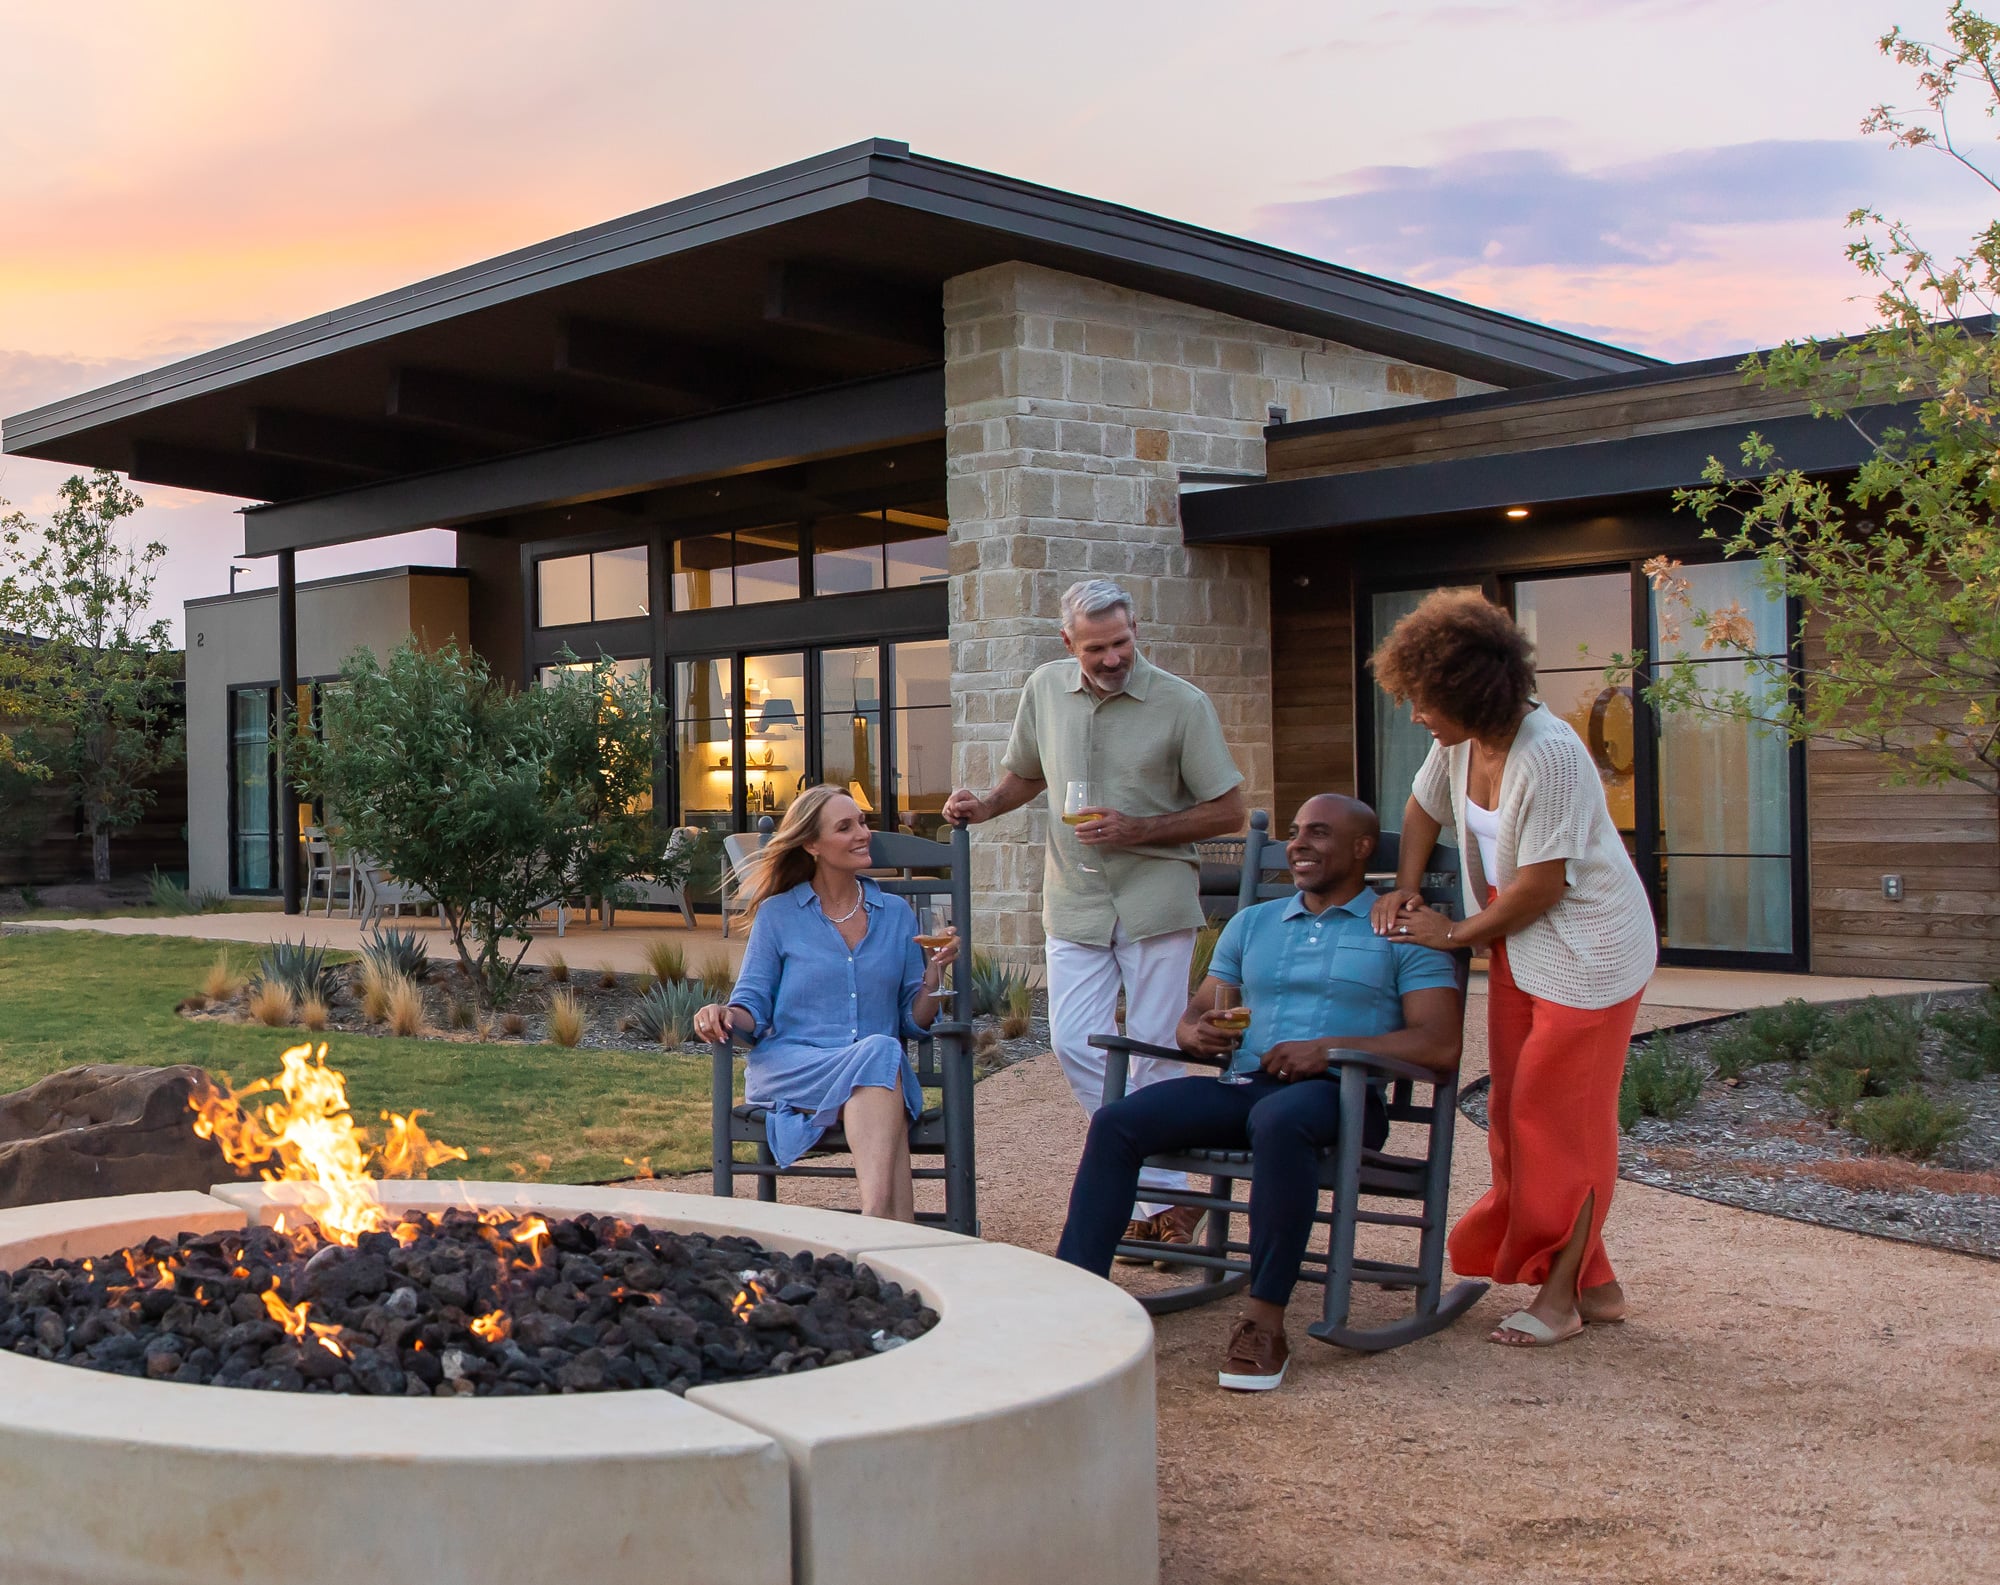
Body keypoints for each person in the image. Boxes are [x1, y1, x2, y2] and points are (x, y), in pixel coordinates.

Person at [1055, 793, 1462, 1391]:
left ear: (1361, 848)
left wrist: (1328, 1049)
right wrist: (1200, 1035)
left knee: (1280, 1122)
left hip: (1339, 1096)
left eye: (1317, 834)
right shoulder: (1253, 924)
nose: (1297, 844)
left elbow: (1438, 1044)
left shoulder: (1398, 929)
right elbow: (1194, 1016)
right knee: (1118, 1121)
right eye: (1295, 832)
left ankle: (1264, 1321)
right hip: (1246, 1085)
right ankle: (1074, 1300)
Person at [1368, 589, 1656, 1348]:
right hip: (1518, 944)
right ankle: (1598, 1285)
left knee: (1563, 1123)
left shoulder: (1551, 753)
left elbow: (1544, 884)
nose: (1415, 714)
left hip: (1588, 953)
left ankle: (1559, 1299)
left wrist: (1454, 932)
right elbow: (1424, 807)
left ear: (1468, 691)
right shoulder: (1461, 740)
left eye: (1423, 700)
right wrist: (1404, 883)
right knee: (1511, 1117)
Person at [945, 578, 1246, 1259]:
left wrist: (1140, 828)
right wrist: (986, 806)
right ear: (1067, 643)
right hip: (1073, 898)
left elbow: (1228, 810)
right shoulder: (1045, 689)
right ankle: (1163, 1190)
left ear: (1136, 629)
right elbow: (1027, 772)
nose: (1112, 658)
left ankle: (1161, 1200)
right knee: (1074, 1042)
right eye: (1096, 648)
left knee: (1155, 1051)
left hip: (1156, 897)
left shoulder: (1182, 703)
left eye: (1121, 642)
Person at [692, 785, 959, 1223]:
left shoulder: (895, 914)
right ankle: (889, 1229)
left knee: (879, 1053)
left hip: (873, 1074)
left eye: (862, 822)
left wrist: (936, 972)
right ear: (812, 844)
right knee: (882, 1053)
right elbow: (751, 1010)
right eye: (846, 826)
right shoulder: (779, 915)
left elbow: (913, 1019)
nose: (863, 833)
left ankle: (876, 1222)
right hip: (795, 1070)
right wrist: (721, 1013)